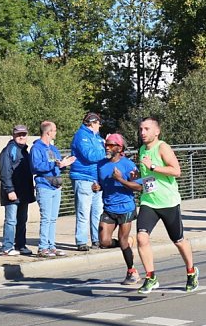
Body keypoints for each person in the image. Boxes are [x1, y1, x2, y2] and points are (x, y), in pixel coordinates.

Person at [136, 116, 198, 294]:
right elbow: (148, 176)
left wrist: (154, 166)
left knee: (178, 240)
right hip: (149, 201)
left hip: (168, 202)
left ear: (157, 131)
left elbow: (176, 171)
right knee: (141, 237)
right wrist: (136, 175)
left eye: (147, 129)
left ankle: (191, 271)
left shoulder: (163, 147)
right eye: (141, 129)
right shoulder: (141, 149)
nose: (143, 133)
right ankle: (150, 276)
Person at [91, 133, 141, 285]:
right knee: (104, 242)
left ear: (119, 148)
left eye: (111, 145)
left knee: (122, 239)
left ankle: (132, 271)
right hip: (109, 207)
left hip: (126, 208)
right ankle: (126, 242)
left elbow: (139, 187)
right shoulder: (100, 164)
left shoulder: (128, 165)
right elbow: (99, 183)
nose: (107, 147)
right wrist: (96, 187)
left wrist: (120, 179)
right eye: (106, 144)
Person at [29, 121, 76, 258]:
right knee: (46, 218)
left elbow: (58, 164)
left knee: (53, 218)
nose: (56, 132)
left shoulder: (53, 149)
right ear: (48, 132)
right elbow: (36, 166)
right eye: (54, 130)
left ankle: (51, 246)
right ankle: (43, 247)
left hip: (56, 186)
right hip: (44, 186)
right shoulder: (36, 148)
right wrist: (54, 164)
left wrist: (64, 164)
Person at [69, 112, 106, 251]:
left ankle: (96, 240)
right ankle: (81, 241)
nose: (99, 126)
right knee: (84, 211)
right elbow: (89, 155)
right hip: (83, 177)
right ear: (92, 123)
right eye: (98, 124)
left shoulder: (97, 138)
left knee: (97, 211)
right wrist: (106, 152)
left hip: (96, 178)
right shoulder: (81, 136)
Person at [0, 124, 36, 256]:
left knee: (22, 220)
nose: (21, 136)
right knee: (11, 221)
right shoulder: (9, 150)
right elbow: (5, 173)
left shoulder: (25, 151)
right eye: (19, 134)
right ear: (13, 135)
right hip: (13, 192)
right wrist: (9, 190)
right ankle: (7, 247)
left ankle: (20, 245)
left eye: (24, 134)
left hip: (23, 192)